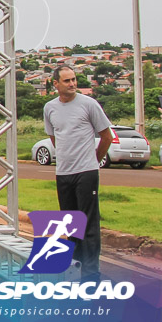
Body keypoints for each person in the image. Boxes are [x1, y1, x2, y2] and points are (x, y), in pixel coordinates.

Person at [43, 65, 112, 281]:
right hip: (64, 172)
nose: (72, 84)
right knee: (71, 224)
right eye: (67, 81)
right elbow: (55, 138)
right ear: (55, 84)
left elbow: (107, 136)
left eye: (74, 79)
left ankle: (92, 275)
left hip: (87, 171)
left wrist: (95, 160)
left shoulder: (89, 104)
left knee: (88, 223)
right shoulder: (49, 108)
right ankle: (75, 269)